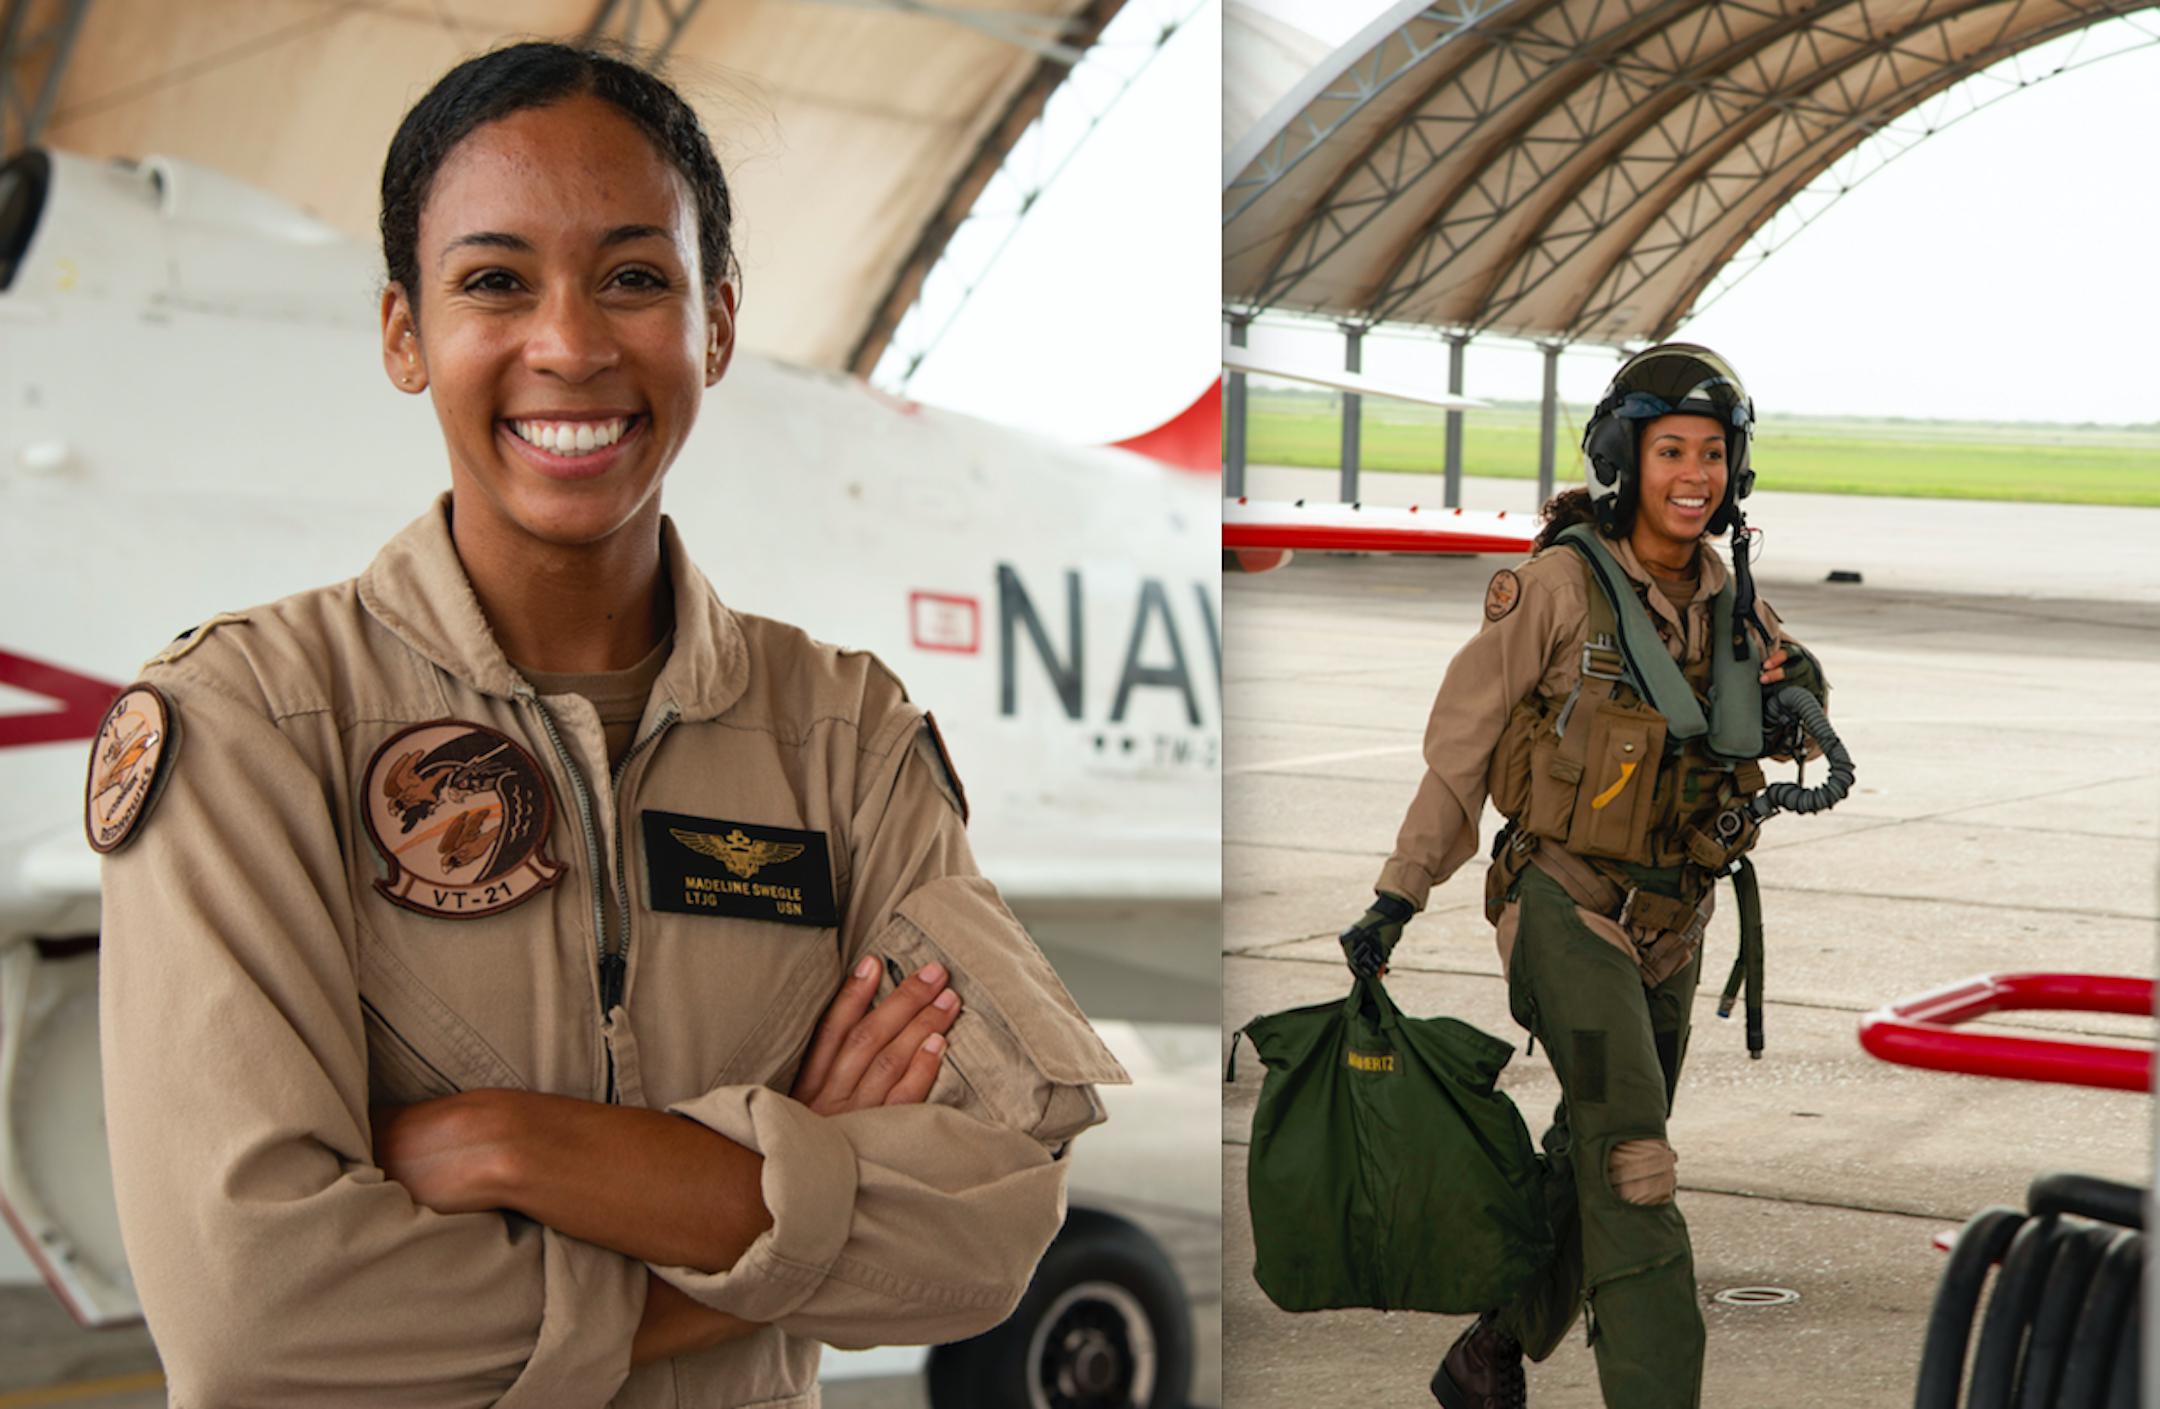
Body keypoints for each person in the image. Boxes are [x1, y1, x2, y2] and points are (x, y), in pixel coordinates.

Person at [88, 41, 1125, 1407]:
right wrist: (793, 1206)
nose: (571, 345)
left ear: (717, 324)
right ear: (404, 333)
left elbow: (988, 1228)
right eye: (495, 282)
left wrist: (518, 1145)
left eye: (635, 278)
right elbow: (264, 1317)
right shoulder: (249, 729)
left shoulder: (844, 741)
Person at [1336, 344, 1830, 1409]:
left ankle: (1492, 1348)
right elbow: (1461, 748)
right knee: (1635, 1161)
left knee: (1589, 1149)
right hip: (1566, 906)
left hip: (1676, 922)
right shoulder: (1557, 587)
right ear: (1625, 457)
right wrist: (1399, 892)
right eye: (1671, 451)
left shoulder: (1729, 596)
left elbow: (1791, 711)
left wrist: (1800, 688)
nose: (1694, 474)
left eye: (1712, 453)